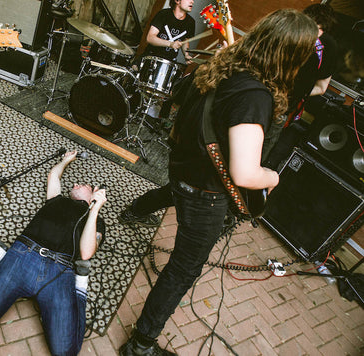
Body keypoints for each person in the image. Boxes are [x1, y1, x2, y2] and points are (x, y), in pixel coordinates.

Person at [119, 9, 318, 356]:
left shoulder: (222, 65)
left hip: (184, 169)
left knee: (175, 194)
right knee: (183, 269)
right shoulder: (255, 97)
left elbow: (179, 101)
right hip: (205, 192)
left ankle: (135, 208)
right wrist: (273, 176)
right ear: (290, 56)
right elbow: (244, 174)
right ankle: (140, 345)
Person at [0, 150, 106, 356]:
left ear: (93, 192)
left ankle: (80, 288)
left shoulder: (96, 220)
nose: (74, 185)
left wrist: (95, 209)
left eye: (82, 185)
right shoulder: (56, 200)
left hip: (60, 272)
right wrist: (65, 161)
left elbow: (85, 253)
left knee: (66, 352)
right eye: (74, 184)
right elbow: (54, 177)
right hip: (24, 255)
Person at [263, 3, 338, 170]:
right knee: (257, 157)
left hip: (264, 101)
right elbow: (321, 88)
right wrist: (297, 94)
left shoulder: (292, 33)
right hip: (283, 110)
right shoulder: (330, 46)